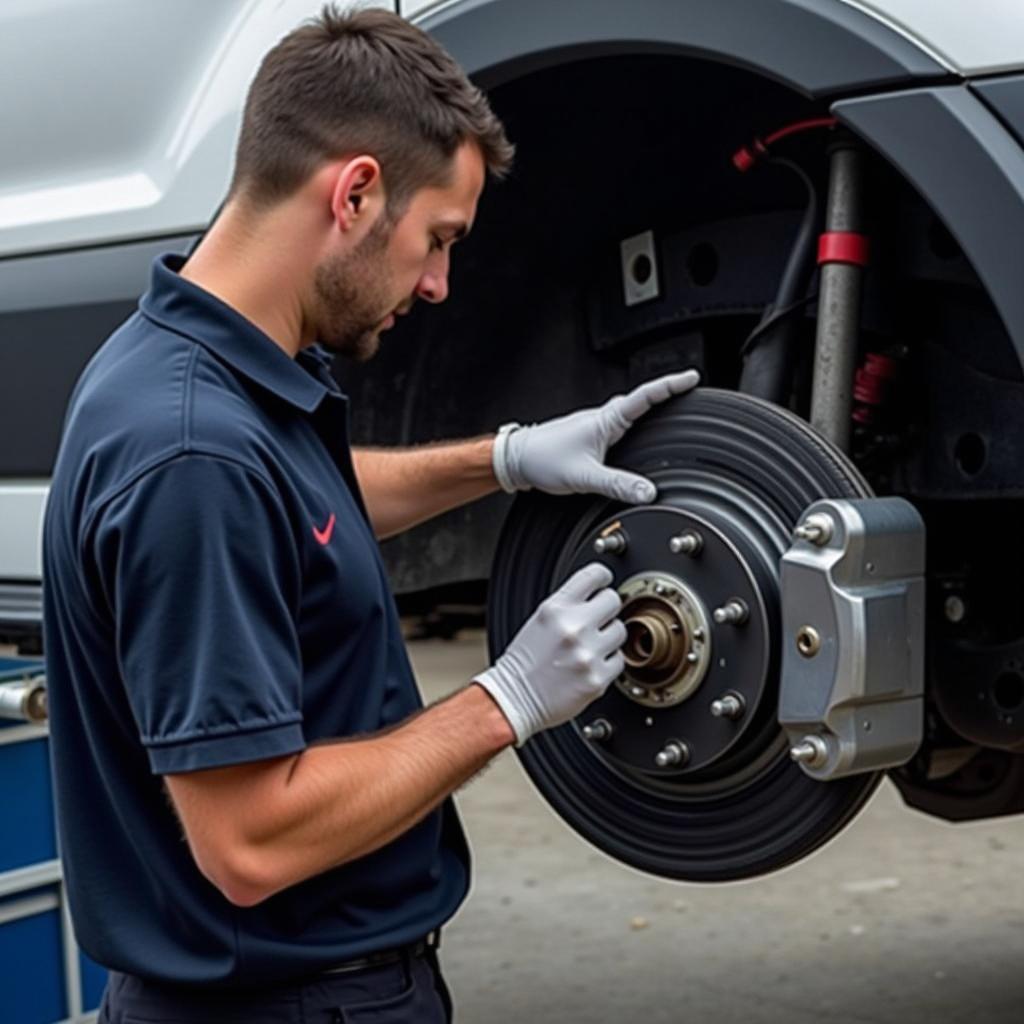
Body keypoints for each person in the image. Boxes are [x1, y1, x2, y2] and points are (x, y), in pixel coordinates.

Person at [42, 6, 699, 1022]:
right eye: (437, 239)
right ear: (353, 193)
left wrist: (507, 459)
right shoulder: (189, 452)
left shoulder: (198, 365)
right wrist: (507, 700)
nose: (438, 284)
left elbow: (295, 510)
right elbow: (250, 843)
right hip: (286, 1004)